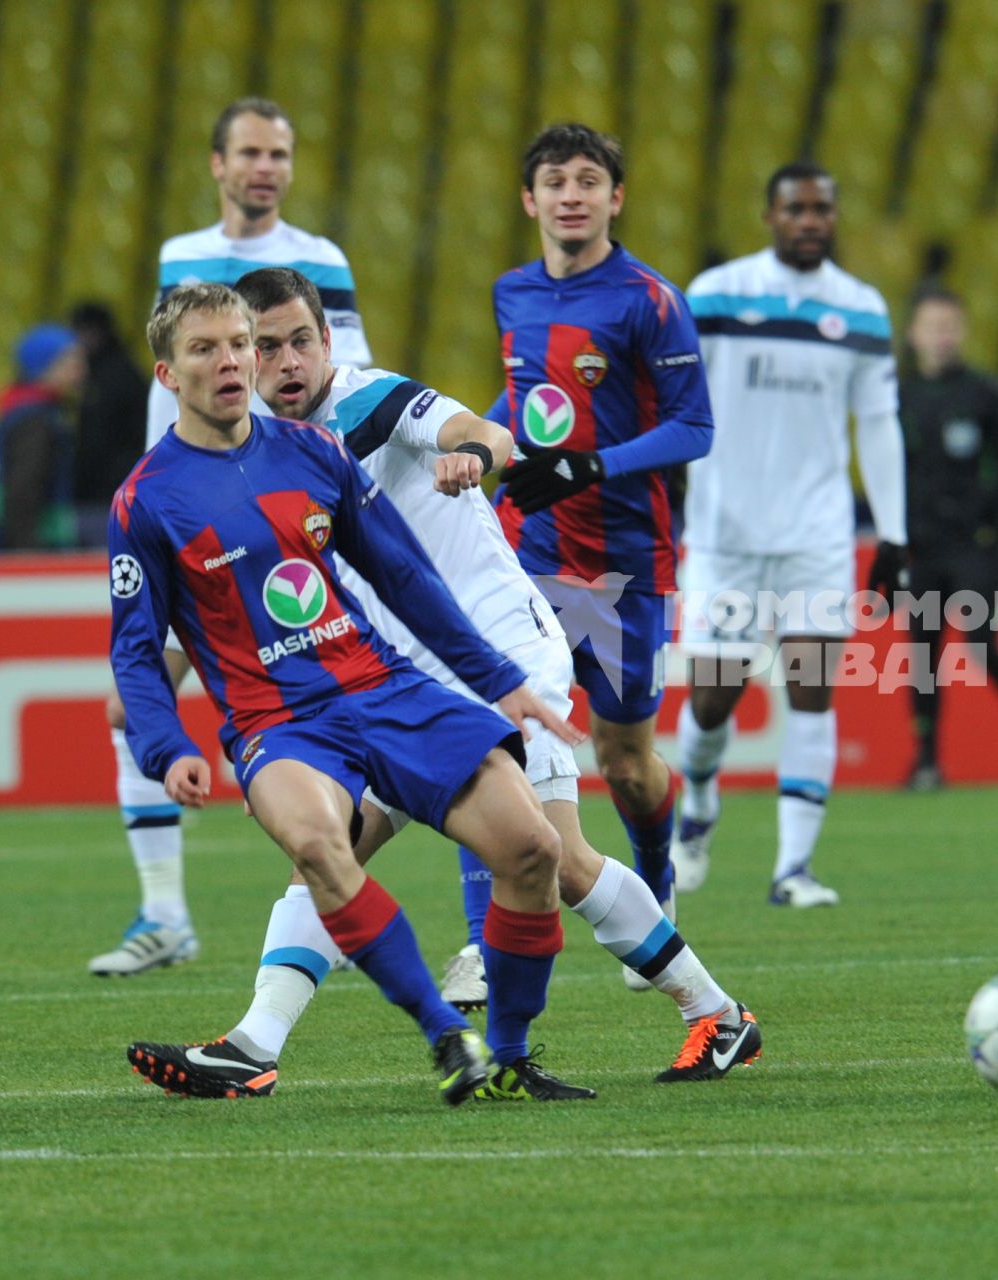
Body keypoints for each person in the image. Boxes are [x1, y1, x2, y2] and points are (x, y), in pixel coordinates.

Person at [125, 268, 759, 1098]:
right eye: (264, 344)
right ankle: (255, 1043)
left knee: (558, 857)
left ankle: (716, 1015)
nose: (282, 361)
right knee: (330, 851)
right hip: (392, 680)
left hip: (499, 652)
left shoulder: (368, 402)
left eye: (299, 341)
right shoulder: (251, 457)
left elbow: (480, 431)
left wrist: (469, 455)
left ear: (329, 342)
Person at [110, 284, 581, 1104]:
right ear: (166, 374)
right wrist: (168, 745)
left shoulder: (313, 452)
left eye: (239, 344)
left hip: (383, 685)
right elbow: (136, 650)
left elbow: (407, 579)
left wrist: (500, 682)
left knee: (533, 850)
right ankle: (445, 1034)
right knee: (322, 849)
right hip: (277, 722)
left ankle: (504, 1054)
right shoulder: (146, 500)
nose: (230, 361)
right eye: (205, 349)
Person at [91, 96, 372, 978]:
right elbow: (171, 377)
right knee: (124, 707)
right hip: (179, 514)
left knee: (354, 707)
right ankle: (166, 914)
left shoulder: (320, 260)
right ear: (218, 164)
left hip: (270, 516)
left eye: (279, 154)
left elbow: (336, 380)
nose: (266, 168)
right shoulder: (180, 254)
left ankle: (391, 897)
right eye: (250, 152)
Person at [483, 123, 713, 988]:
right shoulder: (512, 292)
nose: (571, 194)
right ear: (529, 199)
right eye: (555, 180)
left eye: (589, 180)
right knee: (498, 739)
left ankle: (654, 872)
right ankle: (488, 935)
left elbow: (696, 426)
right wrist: (486, 456)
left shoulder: (650, 299)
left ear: (616, 198)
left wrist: (593, 464)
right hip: (530, 555)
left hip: (625, 566)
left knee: (623, 763)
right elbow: (522, 398)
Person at [669, 160, 909, 906]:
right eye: (796, 209)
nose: (810, 221)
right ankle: (700, 795)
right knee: (714, 699)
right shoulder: (715, 295)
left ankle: (793, 869)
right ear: (770, 217)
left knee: (813, 687)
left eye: (822, 210)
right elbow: (675, 401)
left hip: (816, 533)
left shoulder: (862, 310)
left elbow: (878, 424)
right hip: (724, 533)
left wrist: (893, 534)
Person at [896, 285, 998, 790]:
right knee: (922, 653)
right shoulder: (897, 398)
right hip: (922, 543)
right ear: (913, 334)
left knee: (981, 644)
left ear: (961, 332)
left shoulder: (982, 395)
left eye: (949, 326)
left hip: (973, 543)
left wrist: (990, 511)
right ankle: (926, 760)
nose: (942, 337)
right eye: (932, 326)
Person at [0, 324, 84, 551]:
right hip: (26, 556)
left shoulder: (18, 411)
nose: (81, 371)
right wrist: (29, 559)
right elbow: (22, 494)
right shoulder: (35, 422)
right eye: (72, 362)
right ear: (45, 366)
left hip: (3, 548)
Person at [68, 301, 150, 534]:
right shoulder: (122, 371)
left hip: (107, 493)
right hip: (114, 488)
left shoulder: (111, 379)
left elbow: (97, 443)